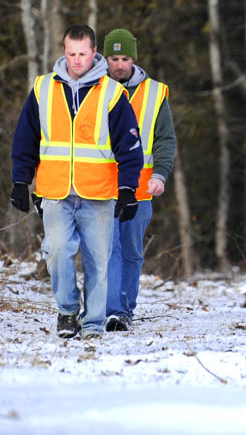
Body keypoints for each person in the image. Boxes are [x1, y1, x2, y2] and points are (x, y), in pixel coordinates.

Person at [10, 24, 143, 340]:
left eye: (83, 54)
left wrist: (127, 188)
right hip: (54, 190)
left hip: (98, 193)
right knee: (56, 251)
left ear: (94, 52)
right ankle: (68, 311)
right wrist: (20, 180)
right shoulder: (43, 88)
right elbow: (25, 139)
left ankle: (93, 323)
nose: (77, 60)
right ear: (64, 51)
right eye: (71, 54)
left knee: (98, 260)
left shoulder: (112, 93)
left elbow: (129, 145)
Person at [102, 28, 177, 332]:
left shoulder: (155, 93)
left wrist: (160, 174)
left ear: (134, 57)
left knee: (131, 250)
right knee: (108, 249)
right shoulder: (95, 89)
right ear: (105, 58)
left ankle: (124, 308)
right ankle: (112, 310)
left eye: (125, 58)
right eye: (113, 58)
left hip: (141, 189)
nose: (119, 65)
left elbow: (165, 139)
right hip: (101, 186)